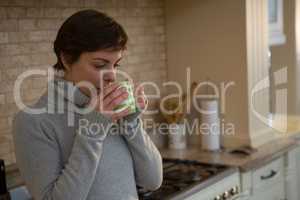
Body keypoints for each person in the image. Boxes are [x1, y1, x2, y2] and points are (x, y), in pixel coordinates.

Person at [12, 9, 163, 200]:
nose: (112, 75)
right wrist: (93, 129)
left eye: (116, 65)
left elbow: (153, 180)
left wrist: (131, 123)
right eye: (100, 65)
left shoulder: (111, 110)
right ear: (66, 59)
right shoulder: (33, 122)